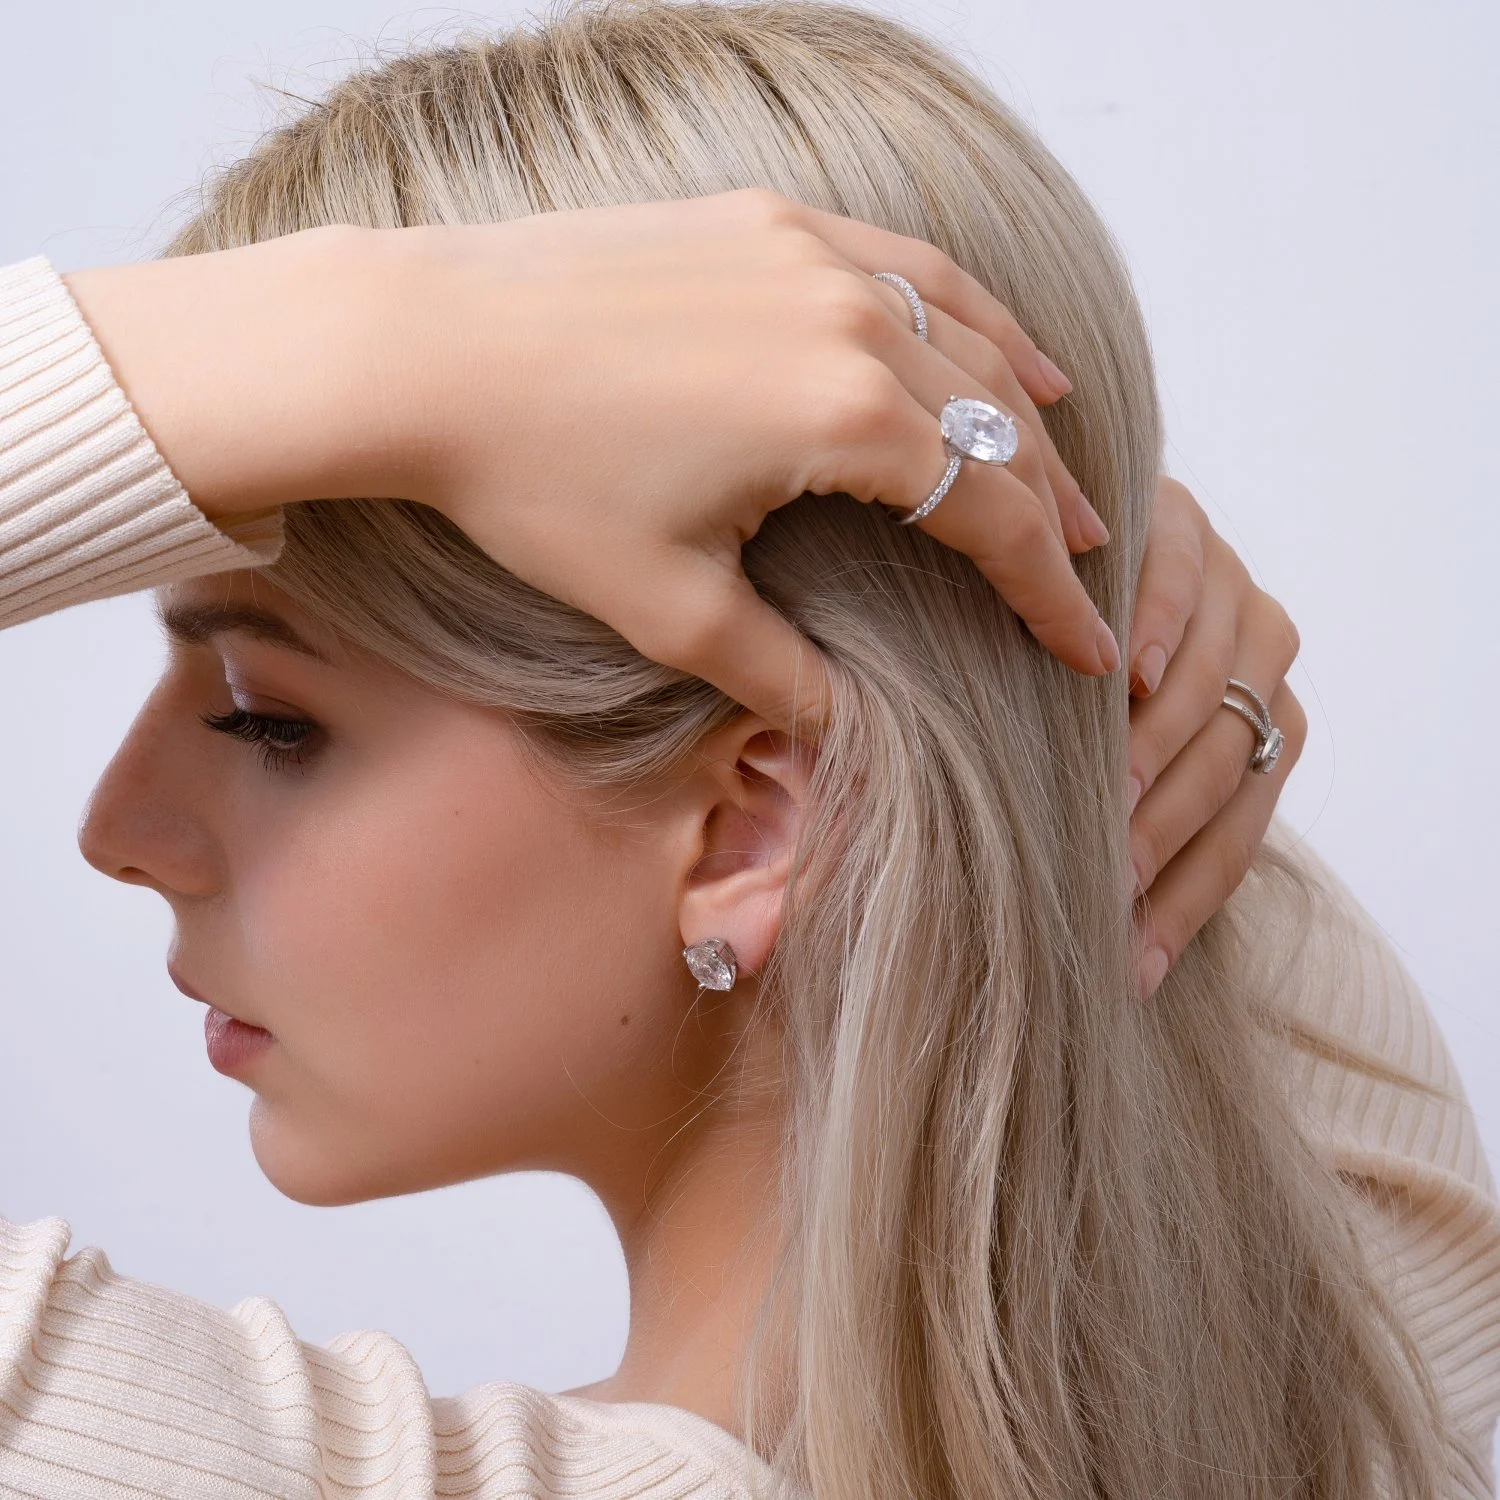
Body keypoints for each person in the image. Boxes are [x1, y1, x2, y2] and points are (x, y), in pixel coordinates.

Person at [0, 3, 1494, 1498]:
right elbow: (1085, 844)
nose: (118, 827)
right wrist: (1057, 572)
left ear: (746, 834)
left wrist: (374, 341)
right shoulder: (1387, 1375)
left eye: (273, 720)